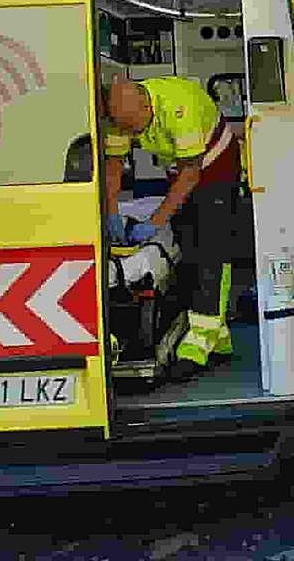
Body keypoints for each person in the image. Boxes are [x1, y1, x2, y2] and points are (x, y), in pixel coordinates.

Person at [103, 75, 242, 381]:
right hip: (180, 166)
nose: (132, 136)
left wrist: (155, 222)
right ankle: (219, 337)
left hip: (215, 163)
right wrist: (112, 211)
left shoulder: (181, 106)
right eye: (127, 130)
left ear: (147, 107)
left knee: (211, 245)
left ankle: (200, 341)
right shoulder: (123, 115)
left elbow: (191, 174)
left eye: (135, 129)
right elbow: (114, 165)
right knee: (188, 242)